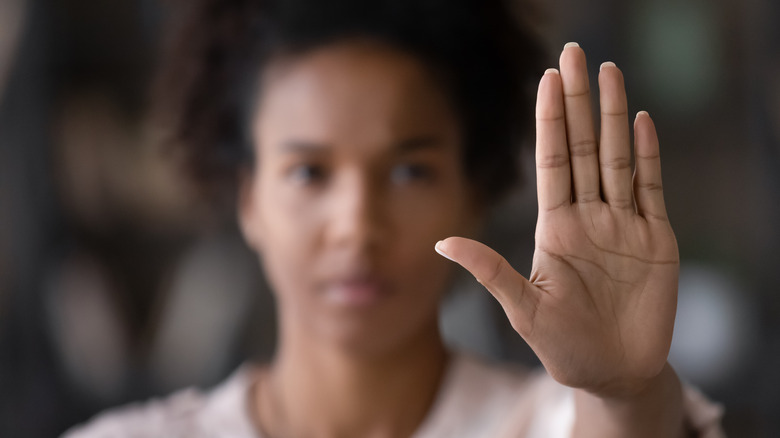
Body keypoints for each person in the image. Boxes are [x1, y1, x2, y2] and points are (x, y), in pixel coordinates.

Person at [63, 0, 724, 436]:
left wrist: (623, 393)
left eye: (411, 170)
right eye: (309, 172)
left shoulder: (551, 423)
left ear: (476, 188)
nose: (357, 224)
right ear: (248, 199)